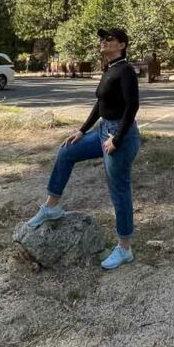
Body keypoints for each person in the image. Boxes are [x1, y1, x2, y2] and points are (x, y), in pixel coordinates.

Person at [25, 27, 142, 270]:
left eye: (109, 38)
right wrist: (81, 130)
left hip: (120, 134)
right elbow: (100, 103)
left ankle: (124, 248)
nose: (103, 41)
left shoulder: (126, 70)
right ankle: (52, 207)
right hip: (102, 130)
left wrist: (116, 140)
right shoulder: (110, 68)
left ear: (122, 44)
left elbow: (132, 107)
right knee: (67, 151)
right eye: (102, 38)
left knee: (119, 190)